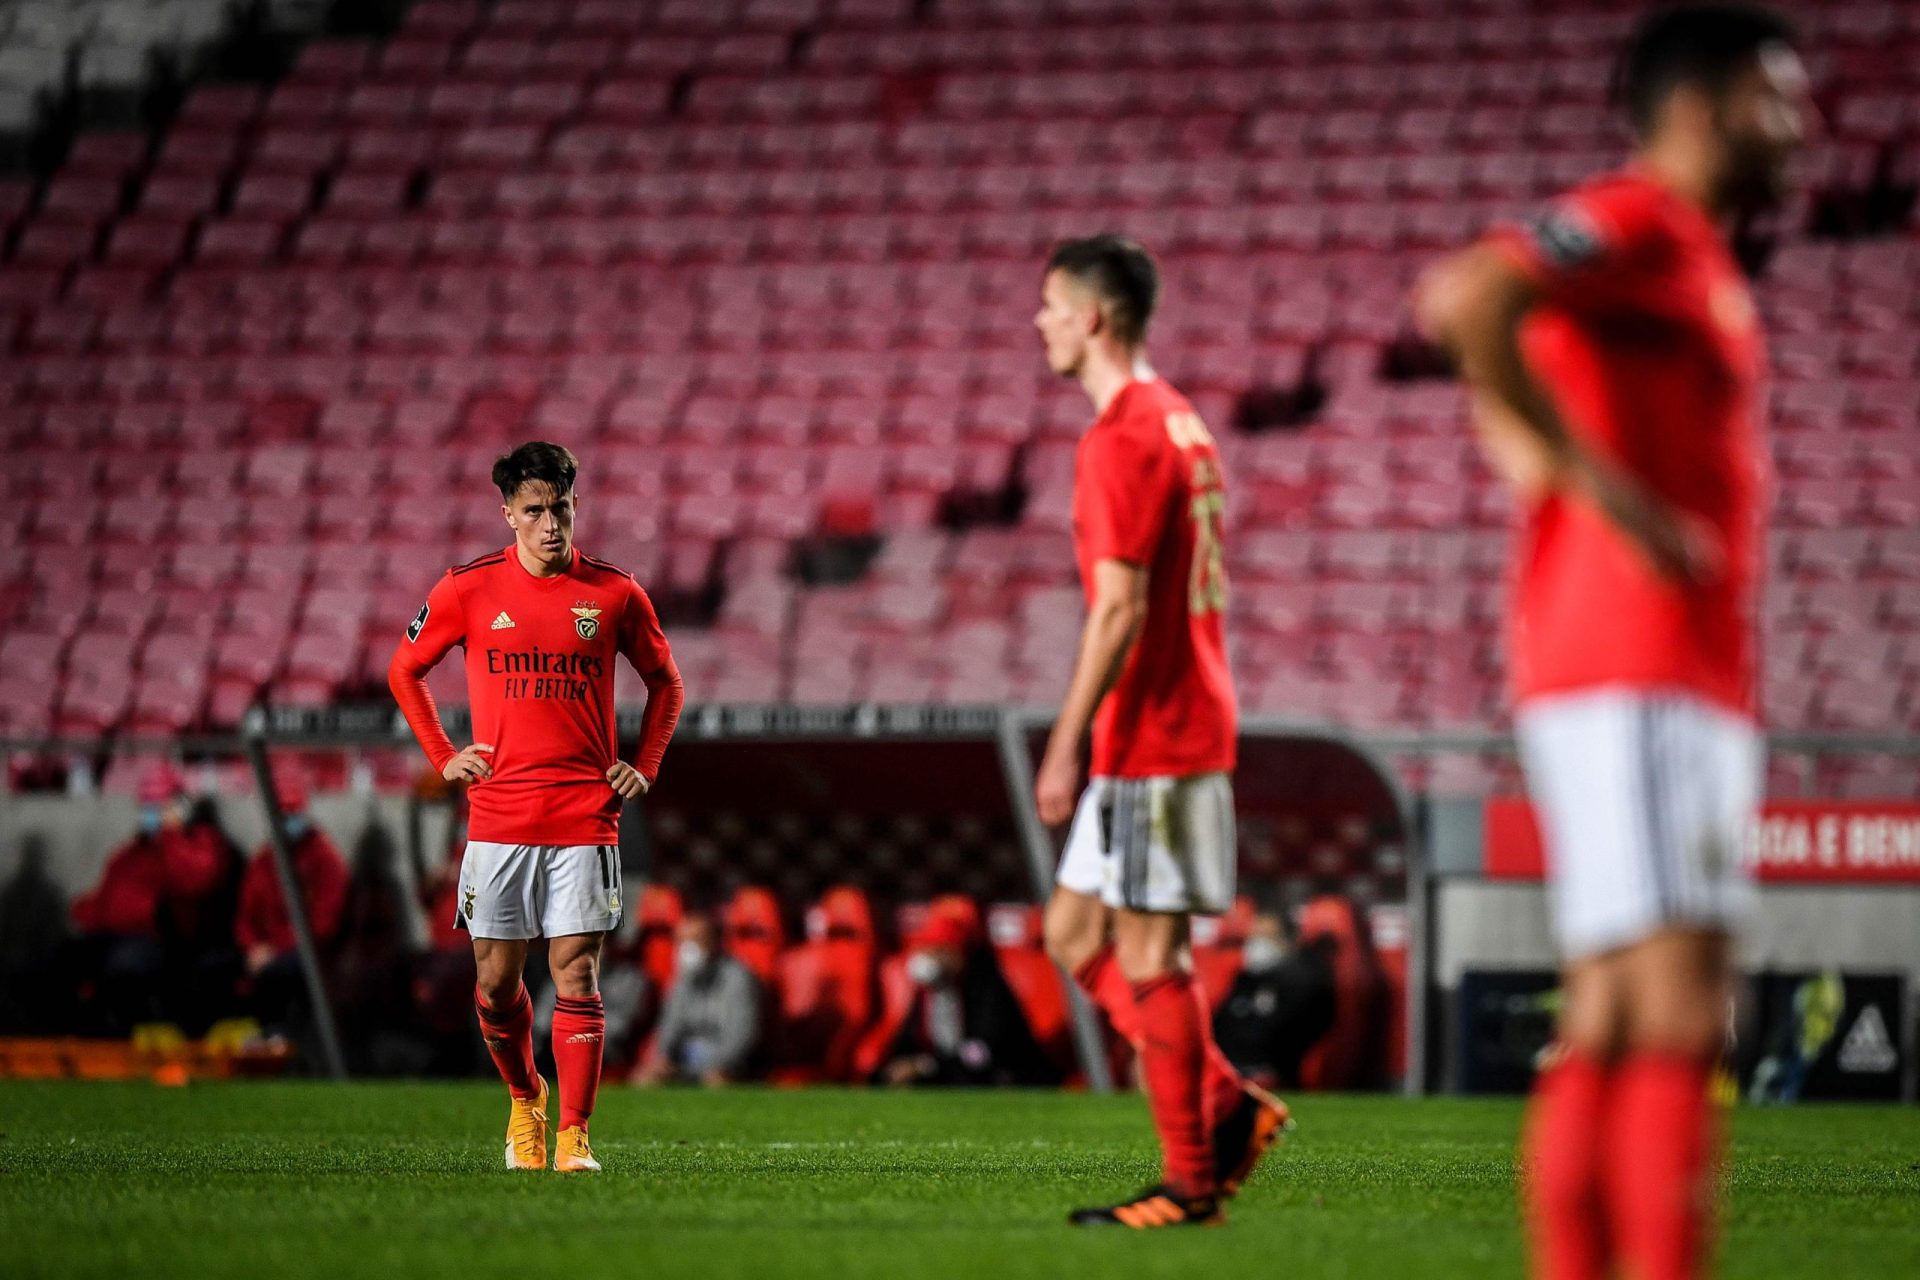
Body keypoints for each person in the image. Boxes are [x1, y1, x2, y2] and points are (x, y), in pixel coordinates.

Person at [1414, 8, 1809, 1278]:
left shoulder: (1678, 247)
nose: (1799, 125)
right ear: (1700, 108)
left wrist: (1547, 463)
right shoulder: (1642, 220)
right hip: (1643, 661)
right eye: (1777, 98)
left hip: (1641, 666)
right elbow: (1471, 294)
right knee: (1679, 1007)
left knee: (1615, 1007)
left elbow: (1492, 344)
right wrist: (1610, 494)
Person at [1031, 235, 1288, 1229]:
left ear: (1092, 316)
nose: (1040, 322)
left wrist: (1064, 738)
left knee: (1150, 955)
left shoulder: (1123, 436)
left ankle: (1190, 1184)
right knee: (1071, 930)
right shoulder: (1178, 419)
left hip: (1157, 731)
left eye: (1052, 305)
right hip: (1165, 724)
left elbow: (1120, 609)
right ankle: (1222, 1102)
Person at [388, 441, 686, 1173]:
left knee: (575, 974)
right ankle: (526, 1099)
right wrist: (442, 755)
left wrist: (643, 764)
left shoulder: (615, 593)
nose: (551, 524)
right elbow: (406, 669)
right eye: (534, 511)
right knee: (494, 984)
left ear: (574, 504)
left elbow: (667, 684)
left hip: (586, 815)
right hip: (498, 818)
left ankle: (574, 1137)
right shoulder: (467, 589)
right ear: (509, 516)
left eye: (561, 508)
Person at [70, 763, 230, 1033]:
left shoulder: (202, 842)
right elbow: (104, 900)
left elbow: (194, 885)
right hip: (109, 938)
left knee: (124, 968)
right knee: (51, 964)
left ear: (181, 806)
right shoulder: (130, 852)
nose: (151, 813)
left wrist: (171, 834)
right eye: (148, 805)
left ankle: (123, 1044)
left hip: (163, 941)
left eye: (159, 804)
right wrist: (86, 913)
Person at [872, 901, 1060, 1088]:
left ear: (957, 954)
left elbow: (982, 1051)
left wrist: (926, 1066)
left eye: (940, 950)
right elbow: (908, 1040)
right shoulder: (926, 992)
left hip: (1003, 1077)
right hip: (947, 1076)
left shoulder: (986, 986)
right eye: (928, 949)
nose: (930, 957)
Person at [233, 769, 350, 1035]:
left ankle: (285, 1043)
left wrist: (275, 949)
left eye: (292, 813)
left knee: (285, 972)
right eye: (281, 814)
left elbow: (324, 926)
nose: (286, 820)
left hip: (310, 954)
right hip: (266, 952)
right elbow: (245, 916)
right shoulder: (265, 860)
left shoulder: (324, 860)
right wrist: (252, 946)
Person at [1210, 911, 1335, 1092]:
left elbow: (1291, 1034)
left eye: (1267, 938)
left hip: (1276, 1072)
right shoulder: (1248, 979)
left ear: (1289, 940)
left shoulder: (1304, 979)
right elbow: (1220, 1025)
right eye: (1254, 938)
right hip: (1235, 1067)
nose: (1258, 945)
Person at [633, 914, 762, 1086]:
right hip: (683, 1064)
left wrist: (720, 1066)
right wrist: (663, 1060)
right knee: (644, 1080)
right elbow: (669, 1028)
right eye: (681, 941)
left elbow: (741, 1036)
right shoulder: (681, 980)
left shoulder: (738, 978)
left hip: (726, 1066)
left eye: (696, 940)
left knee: (717, 1083)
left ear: (715, 942)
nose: (687, 948)